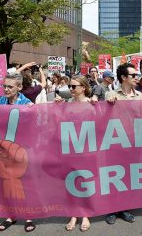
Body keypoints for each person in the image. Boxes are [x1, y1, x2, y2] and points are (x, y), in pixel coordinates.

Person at [0, 73, 35, 232]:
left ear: (19, 87)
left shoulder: (28, 104)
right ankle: (11, 215)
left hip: (24, 152)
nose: (5, 89)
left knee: (26, 185)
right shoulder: (0, 102)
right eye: (4, 86)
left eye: (9, 86)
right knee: (8, 184)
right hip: (5, 152)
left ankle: (29, 216)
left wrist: (33, 112)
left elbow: (36, 126)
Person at [104, 63, 142, 224]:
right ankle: (112, 209)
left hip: (133, 142)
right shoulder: (111, 94)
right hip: (114, 142)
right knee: (113, 175)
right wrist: (108, 100)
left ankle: (124, 207)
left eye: (137, 75)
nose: (137, 78)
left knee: (128, 176)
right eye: (133, 75)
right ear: (123, 78)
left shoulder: (139, 96)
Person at [55, 75, 92, 231]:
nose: (70, 89)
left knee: (85, 180)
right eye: (70, 86)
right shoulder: (66, 104)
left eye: (73, 86)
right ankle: (73, 214)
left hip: (87, 150)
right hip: (69, 149)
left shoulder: (92, 104)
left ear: (83, 88)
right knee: (71, 182)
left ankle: (85, 214)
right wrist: (57, 107)